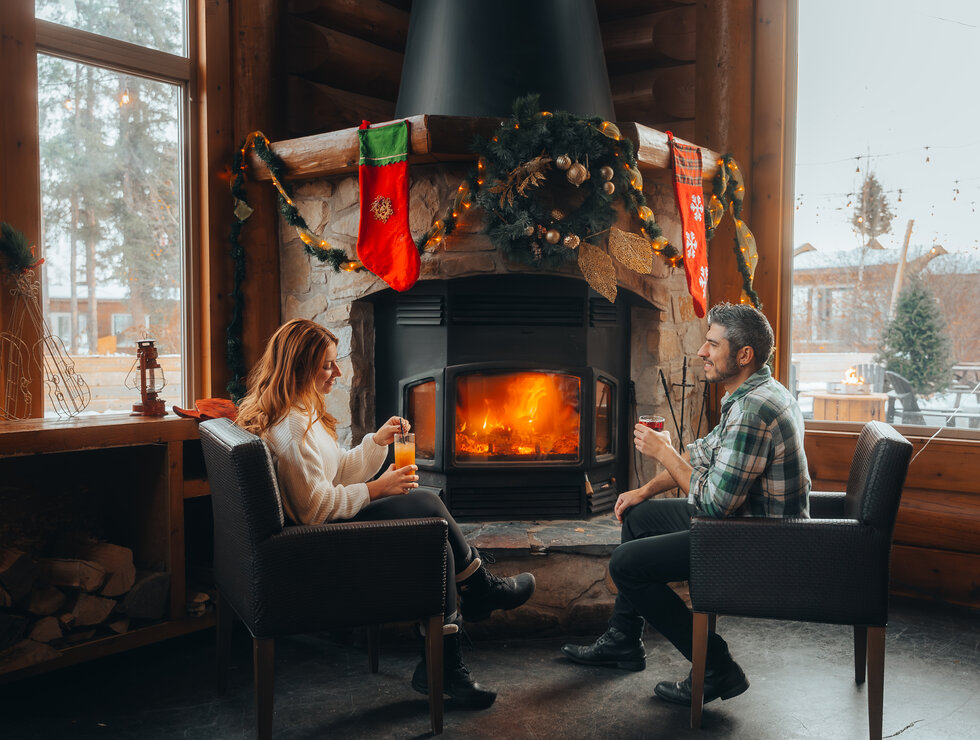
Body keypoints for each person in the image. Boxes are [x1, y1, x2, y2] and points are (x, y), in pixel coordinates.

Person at [236, 318, 535, 709]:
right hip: (318, 545)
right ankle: (478, 592)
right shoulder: (292, 427)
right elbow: (314, 508)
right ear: (299, 367)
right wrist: (377, 489)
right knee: (428, 507)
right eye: (327, 364)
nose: (337, 372)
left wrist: (376, 443)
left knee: (432, 530)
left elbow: (336, 471)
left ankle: (448, 655)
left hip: (324, 531)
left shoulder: (299, 412)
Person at [561, 303, 810, 706]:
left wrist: (662, 453)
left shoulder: (754, 409)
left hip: (761, 543)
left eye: (712, 344)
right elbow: (701, 454)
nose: (701, 352)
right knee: (640, 517)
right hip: (746, 522)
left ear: (744, 355)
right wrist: (644, 491)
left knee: (626, 565)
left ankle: (716, 666)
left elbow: (712, 504)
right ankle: (624, 640)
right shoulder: (752, 393)